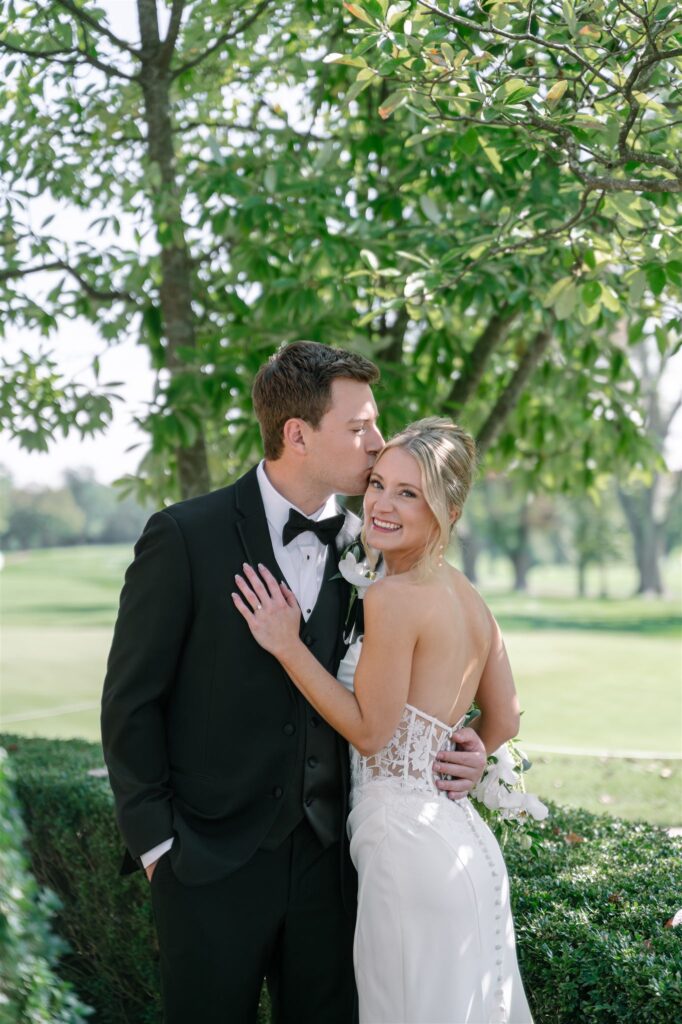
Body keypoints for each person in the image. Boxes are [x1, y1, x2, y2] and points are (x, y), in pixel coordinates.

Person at [101, 343, 490, 1024]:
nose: (377, 444)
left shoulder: (371, 547)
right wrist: (158, 846)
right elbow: (130, 704)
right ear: (298, 435)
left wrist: (472, 744)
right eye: (359, 427)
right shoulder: (185, 537)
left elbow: (436, 666)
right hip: (207, 866)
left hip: (333, 870)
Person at [233, 416, 534, 1024]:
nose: (381, 504)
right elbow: (506, 716)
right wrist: (468, 748)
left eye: (408, 493)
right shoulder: (468, 596)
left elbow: (371, 732)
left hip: (405, 849)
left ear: (446, 510)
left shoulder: (391, 597)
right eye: (377, 483)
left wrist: (287, 645)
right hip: (463, 846)